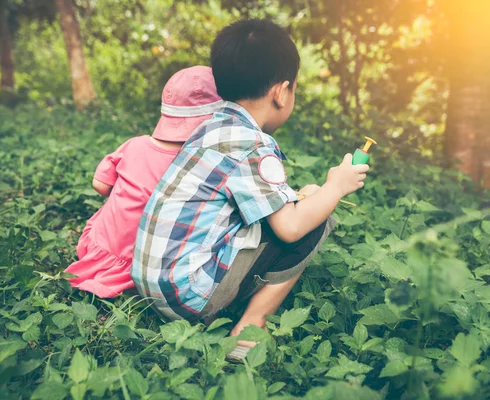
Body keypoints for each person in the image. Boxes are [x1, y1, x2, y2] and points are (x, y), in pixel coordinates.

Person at [131, 19, 368, 357]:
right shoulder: (252, 145)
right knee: (315, 218)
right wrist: (336, 186)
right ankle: (250, 329)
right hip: (186, 295)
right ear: (281, 92)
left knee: (307, 198)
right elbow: (290, 228)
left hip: (150, 283)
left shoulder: (210, 127)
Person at [64, 66, 223, 298]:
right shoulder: (194, 163)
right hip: (141, 261)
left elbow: (100, 185)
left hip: (97, 246)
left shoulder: (134, 145)